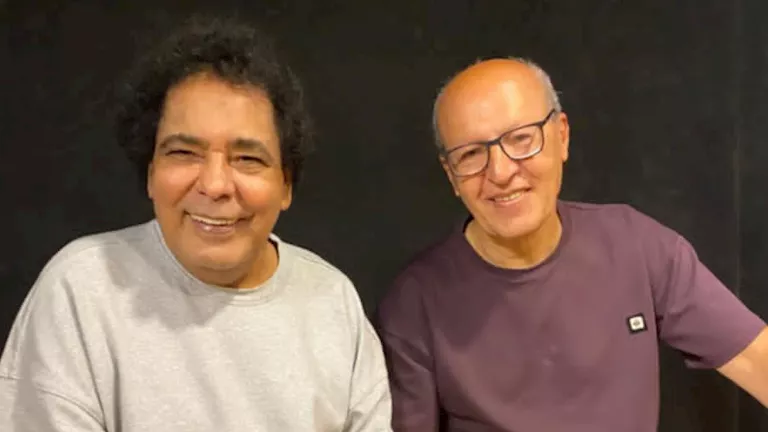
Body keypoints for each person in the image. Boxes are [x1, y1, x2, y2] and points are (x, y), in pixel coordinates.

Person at [0, 16, 391, 432]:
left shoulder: (332, 301)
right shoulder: (81, 289)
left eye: (247, 158)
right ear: (151, 172)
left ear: (285, 185)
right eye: (184, 153)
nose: (215, 185)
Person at [375, 57, 768, 431]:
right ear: (451, 175)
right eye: (471, 154)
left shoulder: (636, 245)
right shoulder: (415, 305)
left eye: (521, 139)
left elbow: (758, 361)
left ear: (561, 135)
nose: (501, 172)